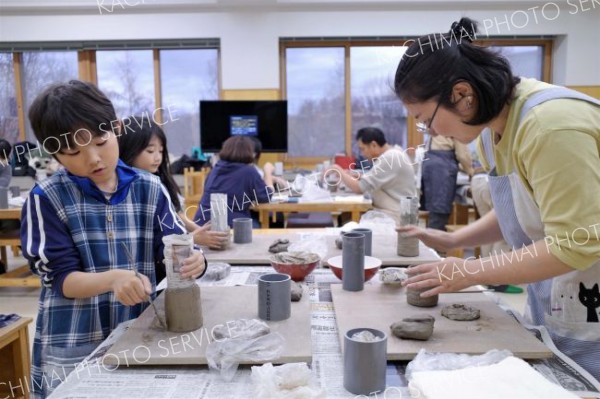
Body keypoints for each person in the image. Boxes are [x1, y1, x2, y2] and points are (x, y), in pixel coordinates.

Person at [394, 18, 600, 380]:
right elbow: (522, 207)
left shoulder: (550, 126)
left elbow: (576, 243)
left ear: (462, 94)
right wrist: (456, 240)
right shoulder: (492, 131)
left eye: (426, 120)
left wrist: (469, 272)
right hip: (561, 293)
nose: (429, 133)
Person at [21, 80, 207, 398]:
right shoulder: (47, 198)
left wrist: (195, 260)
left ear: (116, 128)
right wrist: (113, 279)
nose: (93, 159)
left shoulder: (150, 188)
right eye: (73, 152)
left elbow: (176, 245)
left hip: (138, 333)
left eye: (100, 141)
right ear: (55, 154)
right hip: (74, 338)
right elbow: (61, 278)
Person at [118, 115, 229, 250]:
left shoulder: (159, 181)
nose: (158, 157)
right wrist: (192, 238)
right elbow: (151, 238)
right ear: (130, 149)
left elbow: (176, 214)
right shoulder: (128, 189)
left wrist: (199, 231)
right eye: (150, 151)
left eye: (161, 151)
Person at [328, 127, 416, 222]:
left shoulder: (390, 158)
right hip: (399, 212)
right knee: (345, 217)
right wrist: (358, 176)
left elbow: (360, 188)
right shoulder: (394, 153)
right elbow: (377, 178)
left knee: (349, 222)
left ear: (374, 145)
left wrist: (338, 169)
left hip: (398, 216)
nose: (362, 154)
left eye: (363, 149)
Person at [195, 136, 274, 227]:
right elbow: (266, 196)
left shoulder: (216, 169)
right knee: (259, 225)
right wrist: (267, 172)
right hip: (228, 225)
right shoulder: (248, 171)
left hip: (201, 224)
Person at [421, 134, 473, 231]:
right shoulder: (456, 124)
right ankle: (435, 244)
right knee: (439, 213)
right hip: (441, 167)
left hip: (432, 163)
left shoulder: (440, 124)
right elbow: (463, 155)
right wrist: (471, 172)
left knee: (434, 211)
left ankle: (432, 243)